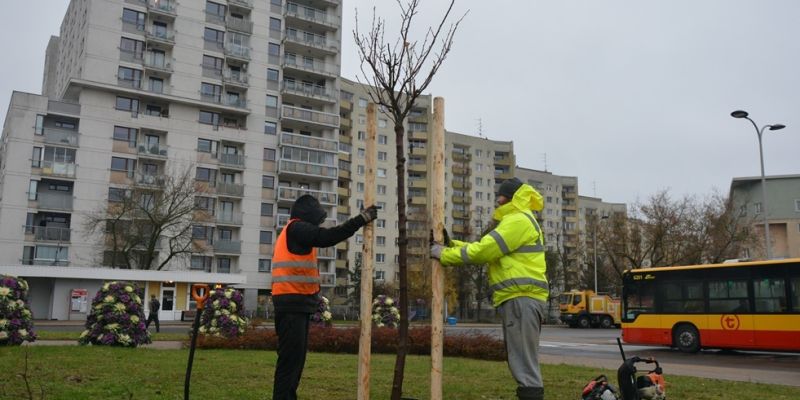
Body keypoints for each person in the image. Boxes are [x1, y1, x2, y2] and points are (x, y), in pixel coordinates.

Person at [431, 177, 548, 400]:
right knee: (522, 361)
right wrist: (452, 244)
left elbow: (484, 251)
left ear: (510, 197)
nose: (497, 200)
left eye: (500, 196)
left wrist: (443, 255)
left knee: (524, 364)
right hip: (520, 298)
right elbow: (485, 248)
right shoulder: (518, 219)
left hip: (520, 298)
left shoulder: (517, 220)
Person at [271, 194, 378, 400]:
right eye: (317, 217)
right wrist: (361, 219)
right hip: (292, 304)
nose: (319, 222)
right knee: (290, 363)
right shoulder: (297, 228)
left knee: (294, 362)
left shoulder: (294, 231)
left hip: (296, 304)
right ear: (307, 215)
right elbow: (327, 237)